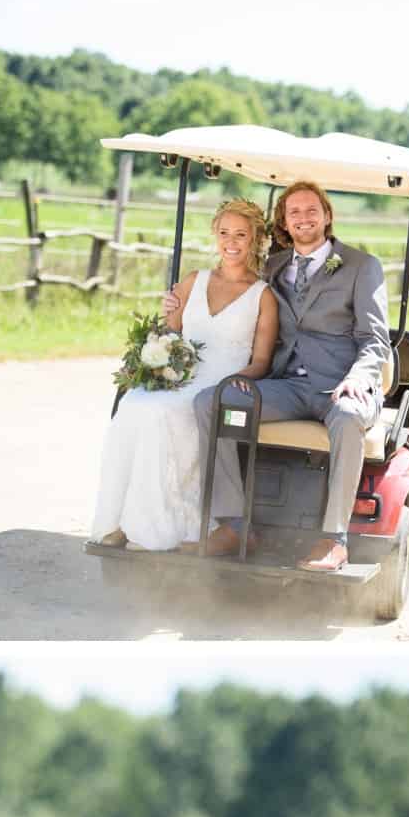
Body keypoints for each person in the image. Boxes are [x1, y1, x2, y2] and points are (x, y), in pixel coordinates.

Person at [196, 178, 390, 571]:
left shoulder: (361, 266)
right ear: (284, 221)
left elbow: (375, 340)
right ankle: (234, 523)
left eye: (311, 210)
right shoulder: (275, 265)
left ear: (327, 216)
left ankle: (334, 538)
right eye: (294, 211)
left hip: (342, 387)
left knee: (351, 416)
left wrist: (357, 378)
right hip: (289, 386)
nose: (303, 218)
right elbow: (235, 290)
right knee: (213, 404)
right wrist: (180, 304)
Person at [90, 197, 277, 553]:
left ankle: (160, 528)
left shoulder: (262, 296)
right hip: (184, 374)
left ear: (254, 239)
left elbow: (262, 360)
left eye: (241, 234)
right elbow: (169, 334)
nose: (231, 242)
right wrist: (157, 355)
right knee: (134, 403)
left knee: (161, 413)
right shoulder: (194, 280)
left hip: (221, 381)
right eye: (224, 233)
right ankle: (122, 521)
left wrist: (232, 382)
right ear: (214, 235)